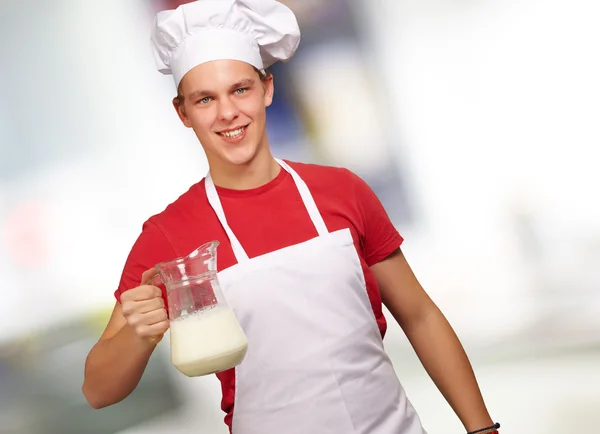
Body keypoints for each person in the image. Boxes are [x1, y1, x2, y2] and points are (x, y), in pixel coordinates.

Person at [82, 1, 500, 433]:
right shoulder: (168, 235)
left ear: (267, 89)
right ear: (183, 113)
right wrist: (139, 334)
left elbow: (419, 316)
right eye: (205, 99)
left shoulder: (342, 190)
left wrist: (481, 428)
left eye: (240, 89)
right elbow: (99, 390)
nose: (227, 113)